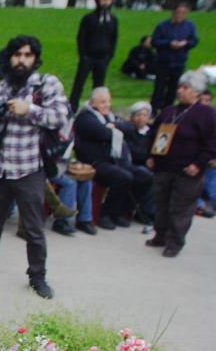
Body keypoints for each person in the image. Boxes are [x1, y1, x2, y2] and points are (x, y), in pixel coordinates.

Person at [0, 35, 69, 299]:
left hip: (29, 167)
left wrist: (29, 108)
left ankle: (37, 276)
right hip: (2, 167)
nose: (21, 60)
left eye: (27, 55)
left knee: (33, 227)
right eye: (17, 55)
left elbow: (61, 116)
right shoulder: (2, 87)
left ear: (35, 58)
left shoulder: (46, 84)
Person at [145, 71, 216, 256]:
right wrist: (151, 155)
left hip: (188, 169)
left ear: (197, 92)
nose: (181, 91)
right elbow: (154, 133)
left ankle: (175, 242)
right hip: (164, 166)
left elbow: (212, 143)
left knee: (180, 207)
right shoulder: (169, 111)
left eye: (186, 88)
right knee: (162, 203)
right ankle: (160, 235)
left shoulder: (206, 114)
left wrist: (199, 164)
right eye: (179, 87)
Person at [74, 87, 153, 230]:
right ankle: (105, 214)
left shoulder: (109, 117)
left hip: (113, 160)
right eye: (103, 102)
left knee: (144, 176)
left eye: (109, 101)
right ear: (93, 103)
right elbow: (104, 134)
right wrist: (112, 128)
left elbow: (129, 127)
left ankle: (121, 211)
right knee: (123, 177)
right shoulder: (85, 117)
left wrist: (114, 126)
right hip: (93, 163)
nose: (107, 105)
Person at [69, 0, 118, 112]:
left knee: (99, 84)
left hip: (103, 57)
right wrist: (83, 55)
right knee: (79, 83)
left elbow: (114, 38)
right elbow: (81, 37)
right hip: (89, 56)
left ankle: (96, 108)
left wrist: (110, 55)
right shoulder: (89, 18)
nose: (106, 2)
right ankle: (72, 107)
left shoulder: (112, 20)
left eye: (108, 0)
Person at [150, 2, 198, 114]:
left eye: (183, 13)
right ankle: (154, 109)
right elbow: (155, 41)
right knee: (159, 87)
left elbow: (194, 40)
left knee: (173, 88)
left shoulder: (189, 26)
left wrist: (185, 43)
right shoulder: (163, 25)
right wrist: (169, 43)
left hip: (179, 62)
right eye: (178, 13)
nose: (179, 15)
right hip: (164, 61)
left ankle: (167, 109)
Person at [117, 101, 157, 223]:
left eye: (145, 115)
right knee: (146, 176)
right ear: (132, 117)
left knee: (159, 176)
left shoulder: (150, 132)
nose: (141, 118)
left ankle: (149, 212)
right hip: (131, 164)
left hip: (146, 164)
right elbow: (135, 152)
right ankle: (141, 212)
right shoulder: (128, 130)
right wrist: (147, 157)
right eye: (138, 115)